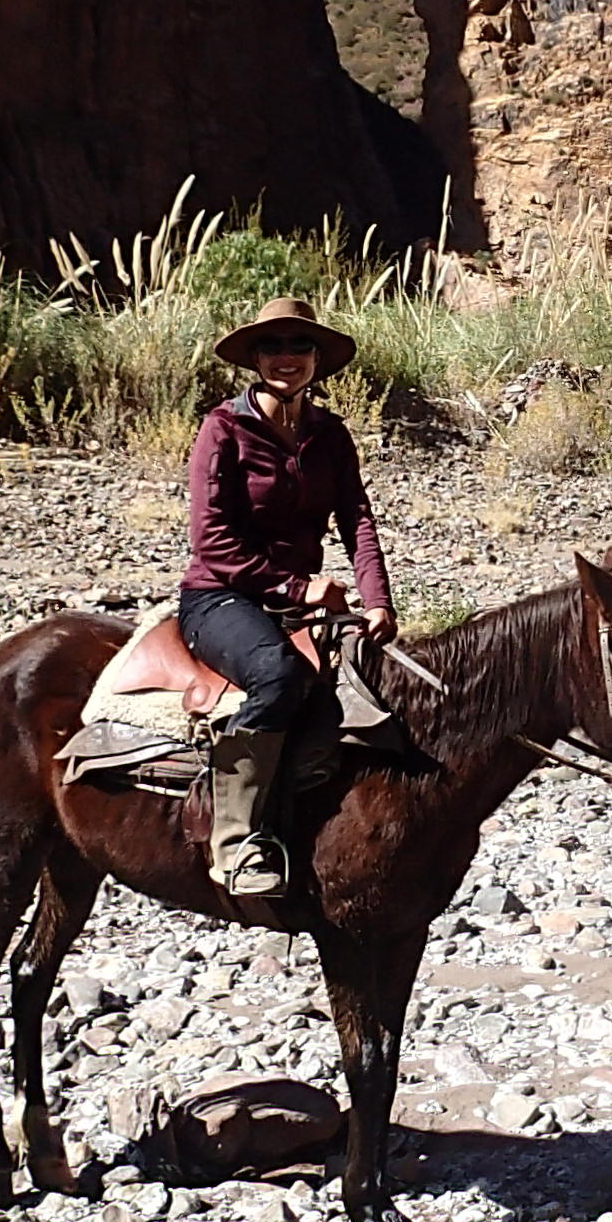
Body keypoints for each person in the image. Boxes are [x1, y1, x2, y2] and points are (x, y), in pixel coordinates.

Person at [178, 294, 396, 898]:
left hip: (299, 601)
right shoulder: (222, 429)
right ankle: (235, 841)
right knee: (275, 673)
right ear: (254, 357)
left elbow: (357, 519)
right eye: (272, 345)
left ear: (317, 359)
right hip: (219, 597)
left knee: (375, 674)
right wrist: (298, 586)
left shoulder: (330, 435)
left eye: (299, 346)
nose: (286, 357)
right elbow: (211, 539)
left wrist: (377, 600)